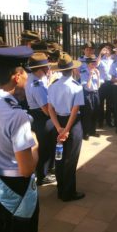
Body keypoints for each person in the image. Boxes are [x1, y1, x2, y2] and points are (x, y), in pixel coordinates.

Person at [0, 46, 39, 232]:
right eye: (25, 74)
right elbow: (27, 169)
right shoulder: (16, 116)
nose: (27, 78)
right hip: (15, 188)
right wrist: (35, 144)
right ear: (16, 76)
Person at [48, 52, 85, 202]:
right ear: (72, 69)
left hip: (58, 123)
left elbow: (50, 109)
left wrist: (58, 128)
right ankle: (68, 192)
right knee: (71, 158)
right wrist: (67, 130)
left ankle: (60, 189)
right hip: (72, 124)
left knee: (59, 157)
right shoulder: (76, 86)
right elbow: (74, 111)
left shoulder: (53, 86)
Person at [25, 52, 56, 186]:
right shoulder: (37, 86)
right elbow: (46, 109)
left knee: (45, 146)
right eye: (46, 67)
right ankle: (43, 175)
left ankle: (45, 171)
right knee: (45, 147)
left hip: (37, 116)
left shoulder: (33, 78)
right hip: (42, 118)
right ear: (40, 69)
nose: (49, 69)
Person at [80, 56, 101, 140]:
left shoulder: (96, 71)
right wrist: (90, 76)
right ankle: (86, 133)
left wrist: (98, 76)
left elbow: (98, 86)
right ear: (88, 64)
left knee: (95, 112)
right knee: (87, 113)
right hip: (87, 94)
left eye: (95, 63)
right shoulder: (84, 72)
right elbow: (87, 86)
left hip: (95, 93)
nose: (94, 65)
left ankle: (93, 131)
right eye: (93, 63)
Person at [97, 42, 115, 128]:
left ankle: (108, 121)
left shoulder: (113, 60)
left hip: (110, 83)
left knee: (109, 103)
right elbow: (96, 64)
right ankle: (100, 121)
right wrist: (100, 54)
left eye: (108, 48)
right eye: (105, 48)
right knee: (100, 103)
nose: (107, 50)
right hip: (102, 84)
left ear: (111, 50)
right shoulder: (101, 59)